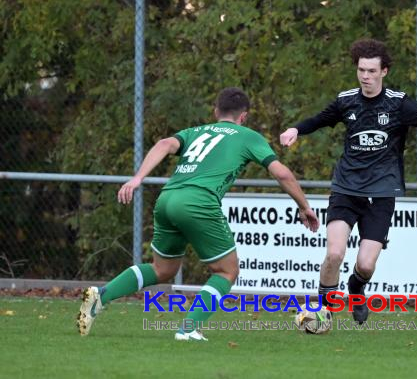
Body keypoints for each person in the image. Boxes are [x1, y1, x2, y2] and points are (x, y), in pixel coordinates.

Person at [77, 87, 320, 341]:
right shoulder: (248, 136)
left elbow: (164, 144)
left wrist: (138, 178)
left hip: (168, 197)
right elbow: (281, 173)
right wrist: (304, 206)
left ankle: (100, 296)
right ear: (244, 117)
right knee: (226, 272)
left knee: (162, 269)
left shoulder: (196, 131)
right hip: (199, 202)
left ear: (216, 111)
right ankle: (189, 328)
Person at [280, 38, 417, 324]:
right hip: (346, 187)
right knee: (334, 253)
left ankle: (356, 288)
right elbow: (318, 120)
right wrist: (295, 129)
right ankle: (325, 312)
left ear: (384, 71)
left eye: (372, 71)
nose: (365, 77)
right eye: (361, 70)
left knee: (365, 264)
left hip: (382, 192)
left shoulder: (399, 104)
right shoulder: (346, 100)